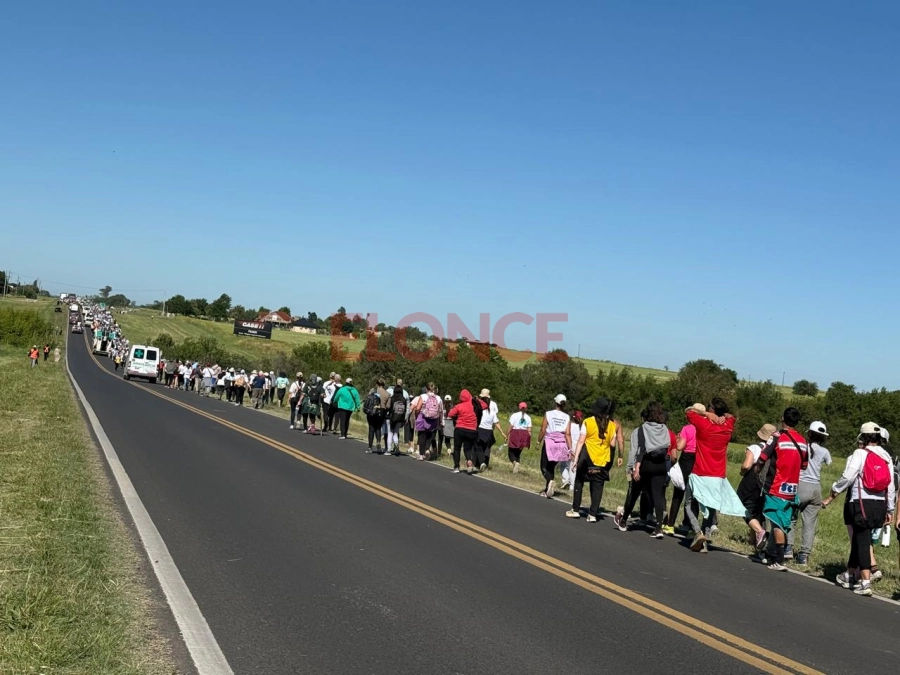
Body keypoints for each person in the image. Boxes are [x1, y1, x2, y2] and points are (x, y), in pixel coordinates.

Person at [823, 422, 895, 597]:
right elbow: (891, 485)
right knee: (860, 539)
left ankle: (865, 581)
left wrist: (834, 489)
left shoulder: (860, 453)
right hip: (880, 504)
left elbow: (848, 476)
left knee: (862, 540)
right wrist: (890, 508)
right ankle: (848, 575)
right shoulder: (886, 456)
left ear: (863, 436)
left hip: (861, 501)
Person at [683, 398, 744, 553]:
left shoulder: (704, 424)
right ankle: (706, 533)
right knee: (710, 508)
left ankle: (698, 532)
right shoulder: (728, 426)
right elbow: (732, 417)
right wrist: (724, 416)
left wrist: (705, 414)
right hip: (717, 474)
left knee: (689, 505)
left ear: (711, 409)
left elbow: (688, 410)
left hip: (700, 471)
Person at [752, 408, 809, 571]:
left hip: (776, 486)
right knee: (783, 523)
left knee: (776, 523)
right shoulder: (803, 441)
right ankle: (773, 554)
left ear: (782, 418)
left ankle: (779, 559)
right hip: (792, 489)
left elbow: (763, 457)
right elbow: (804, 466)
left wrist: (757, 470)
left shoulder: (777, 437)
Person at [616, 402, 672, 538]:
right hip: (660, 465)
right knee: (658, 495)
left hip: (645, 464)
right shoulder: (664, 428)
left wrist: (633, 467)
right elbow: (667, 446)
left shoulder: (641, 430)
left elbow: (638, 450)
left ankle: (623, 521)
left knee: (634, 492)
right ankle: (659, 528)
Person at [567, 398, 619, 522]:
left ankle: (575, 509)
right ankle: (593, 514)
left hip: (588, 457)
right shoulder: (612, 425)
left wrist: (575, 460)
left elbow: (581, 441)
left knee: (579, 480)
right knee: (598, 485)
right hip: (603, 459)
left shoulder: (588, 422)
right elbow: (612, 444)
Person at [789, 421, 832, 565]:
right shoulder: (824, 451)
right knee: (810, 523)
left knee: (791, 516)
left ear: (809, 433)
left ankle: (788, 548)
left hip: (801, 484)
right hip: (816, 488)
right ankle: (804, 556)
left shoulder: (803, 447)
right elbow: (829, 463)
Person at [736, 423, 779, 552]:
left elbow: (747, 465)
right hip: (766, 483)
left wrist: (742, 471)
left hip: (752, 480)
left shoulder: (754, 448)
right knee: (759, 510)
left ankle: (760, 532)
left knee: (742, 507)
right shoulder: (775, 451)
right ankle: (753, 540)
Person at [664, 404, 703, 535]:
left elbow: (680, 446)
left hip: (686, 459)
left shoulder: (687, 428)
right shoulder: (705, 429)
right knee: (693, 497)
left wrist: (679, 437)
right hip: (698, 461)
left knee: (678, 493)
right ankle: (690, 527)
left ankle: (670, 525)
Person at [536, 394, 572, 499]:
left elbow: (543, 429)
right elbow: (568, 434)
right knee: (551, 466)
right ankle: (548, 489)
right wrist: (569, 449)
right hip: (561, 443)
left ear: (555, 402)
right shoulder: (567, 417)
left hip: (550, 442)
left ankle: (550, 481)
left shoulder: (548, 414)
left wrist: (538, 441)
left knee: (544, 466)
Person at [448, 390, 481, 474]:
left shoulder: (459, 406)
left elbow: (450, 414)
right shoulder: (474, 406)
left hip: (460, 428)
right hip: (472, 430)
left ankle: (456, 466)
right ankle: (469, 462)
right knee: (468, 448)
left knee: (457, 448)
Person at [412, 383, 443, 460]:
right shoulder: (438, 398)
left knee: (422, 436)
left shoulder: (423, 396)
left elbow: (418, 408)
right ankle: (427, 449)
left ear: (426, 389)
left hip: (423, 418)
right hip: (434, 419)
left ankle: (421, 454)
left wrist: (416, 415)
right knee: (430, 436)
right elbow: (441, 411)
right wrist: (440, 421)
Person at [475, 390, 505, 470]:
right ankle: (486, 464)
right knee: (487, 449)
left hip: (480, 429)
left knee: (478, 447)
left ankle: (479, 463)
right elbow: (496, 422)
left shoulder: (479, 408)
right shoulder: (492, 410)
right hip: (489, 431)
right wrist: (502, 432)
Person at [364, 378, 389, 453]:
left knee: (371, 428)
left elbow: (368, 399)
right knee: (378, 428)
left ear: (377, 384)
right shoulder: (387, 394)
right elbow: (388, 406)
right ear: (384, 385)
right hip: (381, 412)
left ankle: (370, 447)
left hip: (372, 411)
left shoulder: (374, 391)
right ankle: (378, 442)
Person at [507, 402, 532, 473]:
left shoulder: (514, 415)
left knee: (511, 452)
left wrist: (507, 434)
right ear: (526, 408)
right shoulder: (528, 417)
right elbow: (529, 430)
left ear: (519, 407)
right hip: (524, 434)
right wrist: (529, 440)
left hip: (515, 433)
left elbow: (511, 426)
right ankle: (517, 464)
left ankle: (515, 463)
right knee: (518, 453)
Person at [562, 411, 584, 489]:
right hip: (577, 447)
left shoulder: (569, 425)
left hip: (568, 445)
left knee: (564, 464)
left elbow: (565, 435)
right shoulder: (582, 428)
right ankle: (572, 485)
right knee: (573, 466)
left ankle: (566, 480)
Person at [386, 387, 408, 456]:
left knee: (390, 433)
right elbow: (406, 409)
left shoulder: (392, 398)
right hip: (400, 418)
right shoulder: (404, 399)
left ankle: (389, 450)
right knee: (395, 433)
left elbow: (388, 407)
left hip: (391, 418)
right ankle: (396, 445)